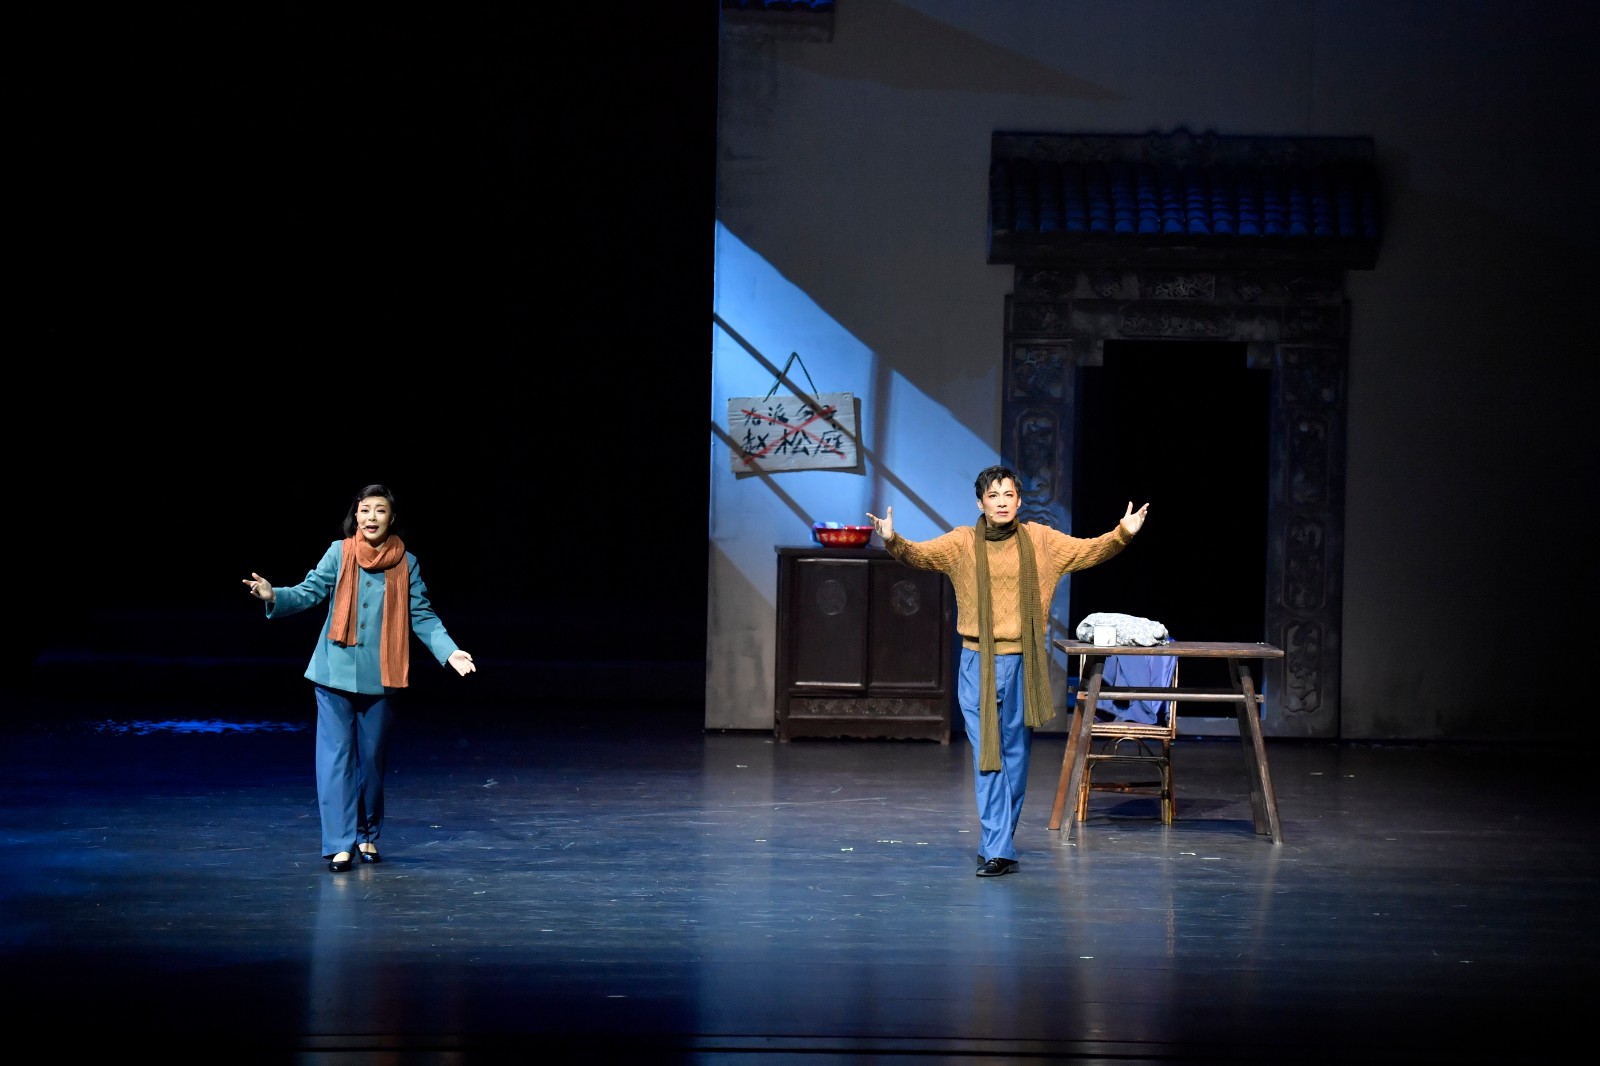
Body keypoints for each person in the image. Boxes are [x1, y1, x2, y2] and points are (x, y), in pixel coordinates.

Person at [868, 465, 1148, 877]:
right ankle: (999, 848)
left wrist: (1122, 533)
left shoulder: (1041, 541)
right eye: (993, 495)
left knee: (1015, 757)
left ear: (1019, 500)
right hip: (977, 662)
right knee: (988, 755)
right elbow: (920, 555)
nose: (1001, 502)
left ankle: (997, 843)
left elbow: (1088, 551)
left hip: (1023, 661)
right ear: (980, 503)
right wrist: (893, 539)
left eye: (1008, 494)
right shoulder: (962, 543)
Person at [243, 484, 477, 873]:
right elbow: (309, 591)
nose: (371, 517)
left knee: (371, 762)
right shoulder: (340, 552)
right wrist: (274, 596)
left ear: (392, 518)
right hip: (332, 672)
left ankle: (366, 832)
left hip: (382, 675)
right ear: (356, 515)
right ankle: (339, 843)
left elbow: (421, 614)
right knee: (335, 760)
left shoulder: (407, 563)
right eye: (365, 510)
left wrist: (449, 650)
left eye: (379, 510)